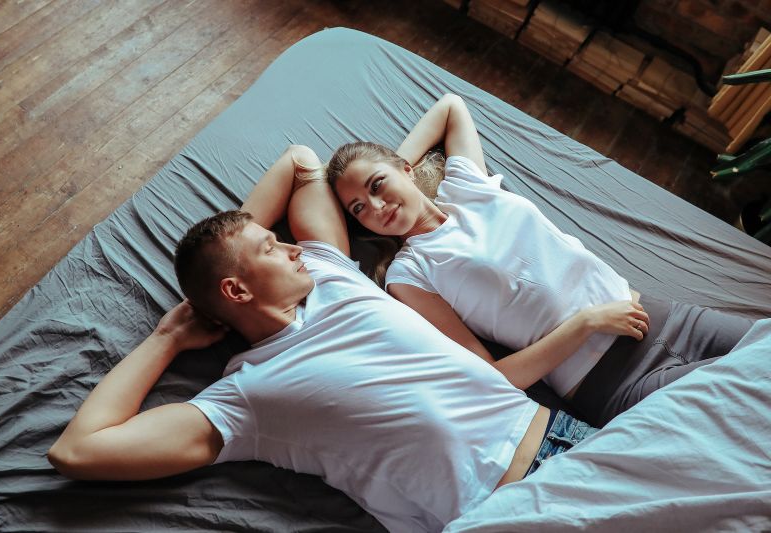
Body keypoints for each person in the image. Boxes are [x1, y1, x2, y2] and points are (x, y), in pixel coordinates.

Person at [47, 145, 598, 533]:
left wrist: (231, 254)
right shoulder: (245, 399)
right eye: (272, 247)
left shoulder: (329, 270)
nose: (291, 247)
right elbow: (78, 451)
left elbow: (301, 161)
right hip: (502, 511)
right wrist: (167, 336)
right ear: (236, 290)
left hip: (571, 439)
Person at [326, 94, 756, 426]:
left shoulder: (465, 185)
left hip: (666, 318)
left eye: (377, 185)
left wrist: (392, 169)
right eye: (359, 208)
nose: (376, 206)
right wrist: (586, 323)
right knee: (751, 390)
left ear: (407, 166)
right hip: (611, 381)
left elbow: (451, 107)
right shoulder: (410, 274)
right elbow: (493, 377)